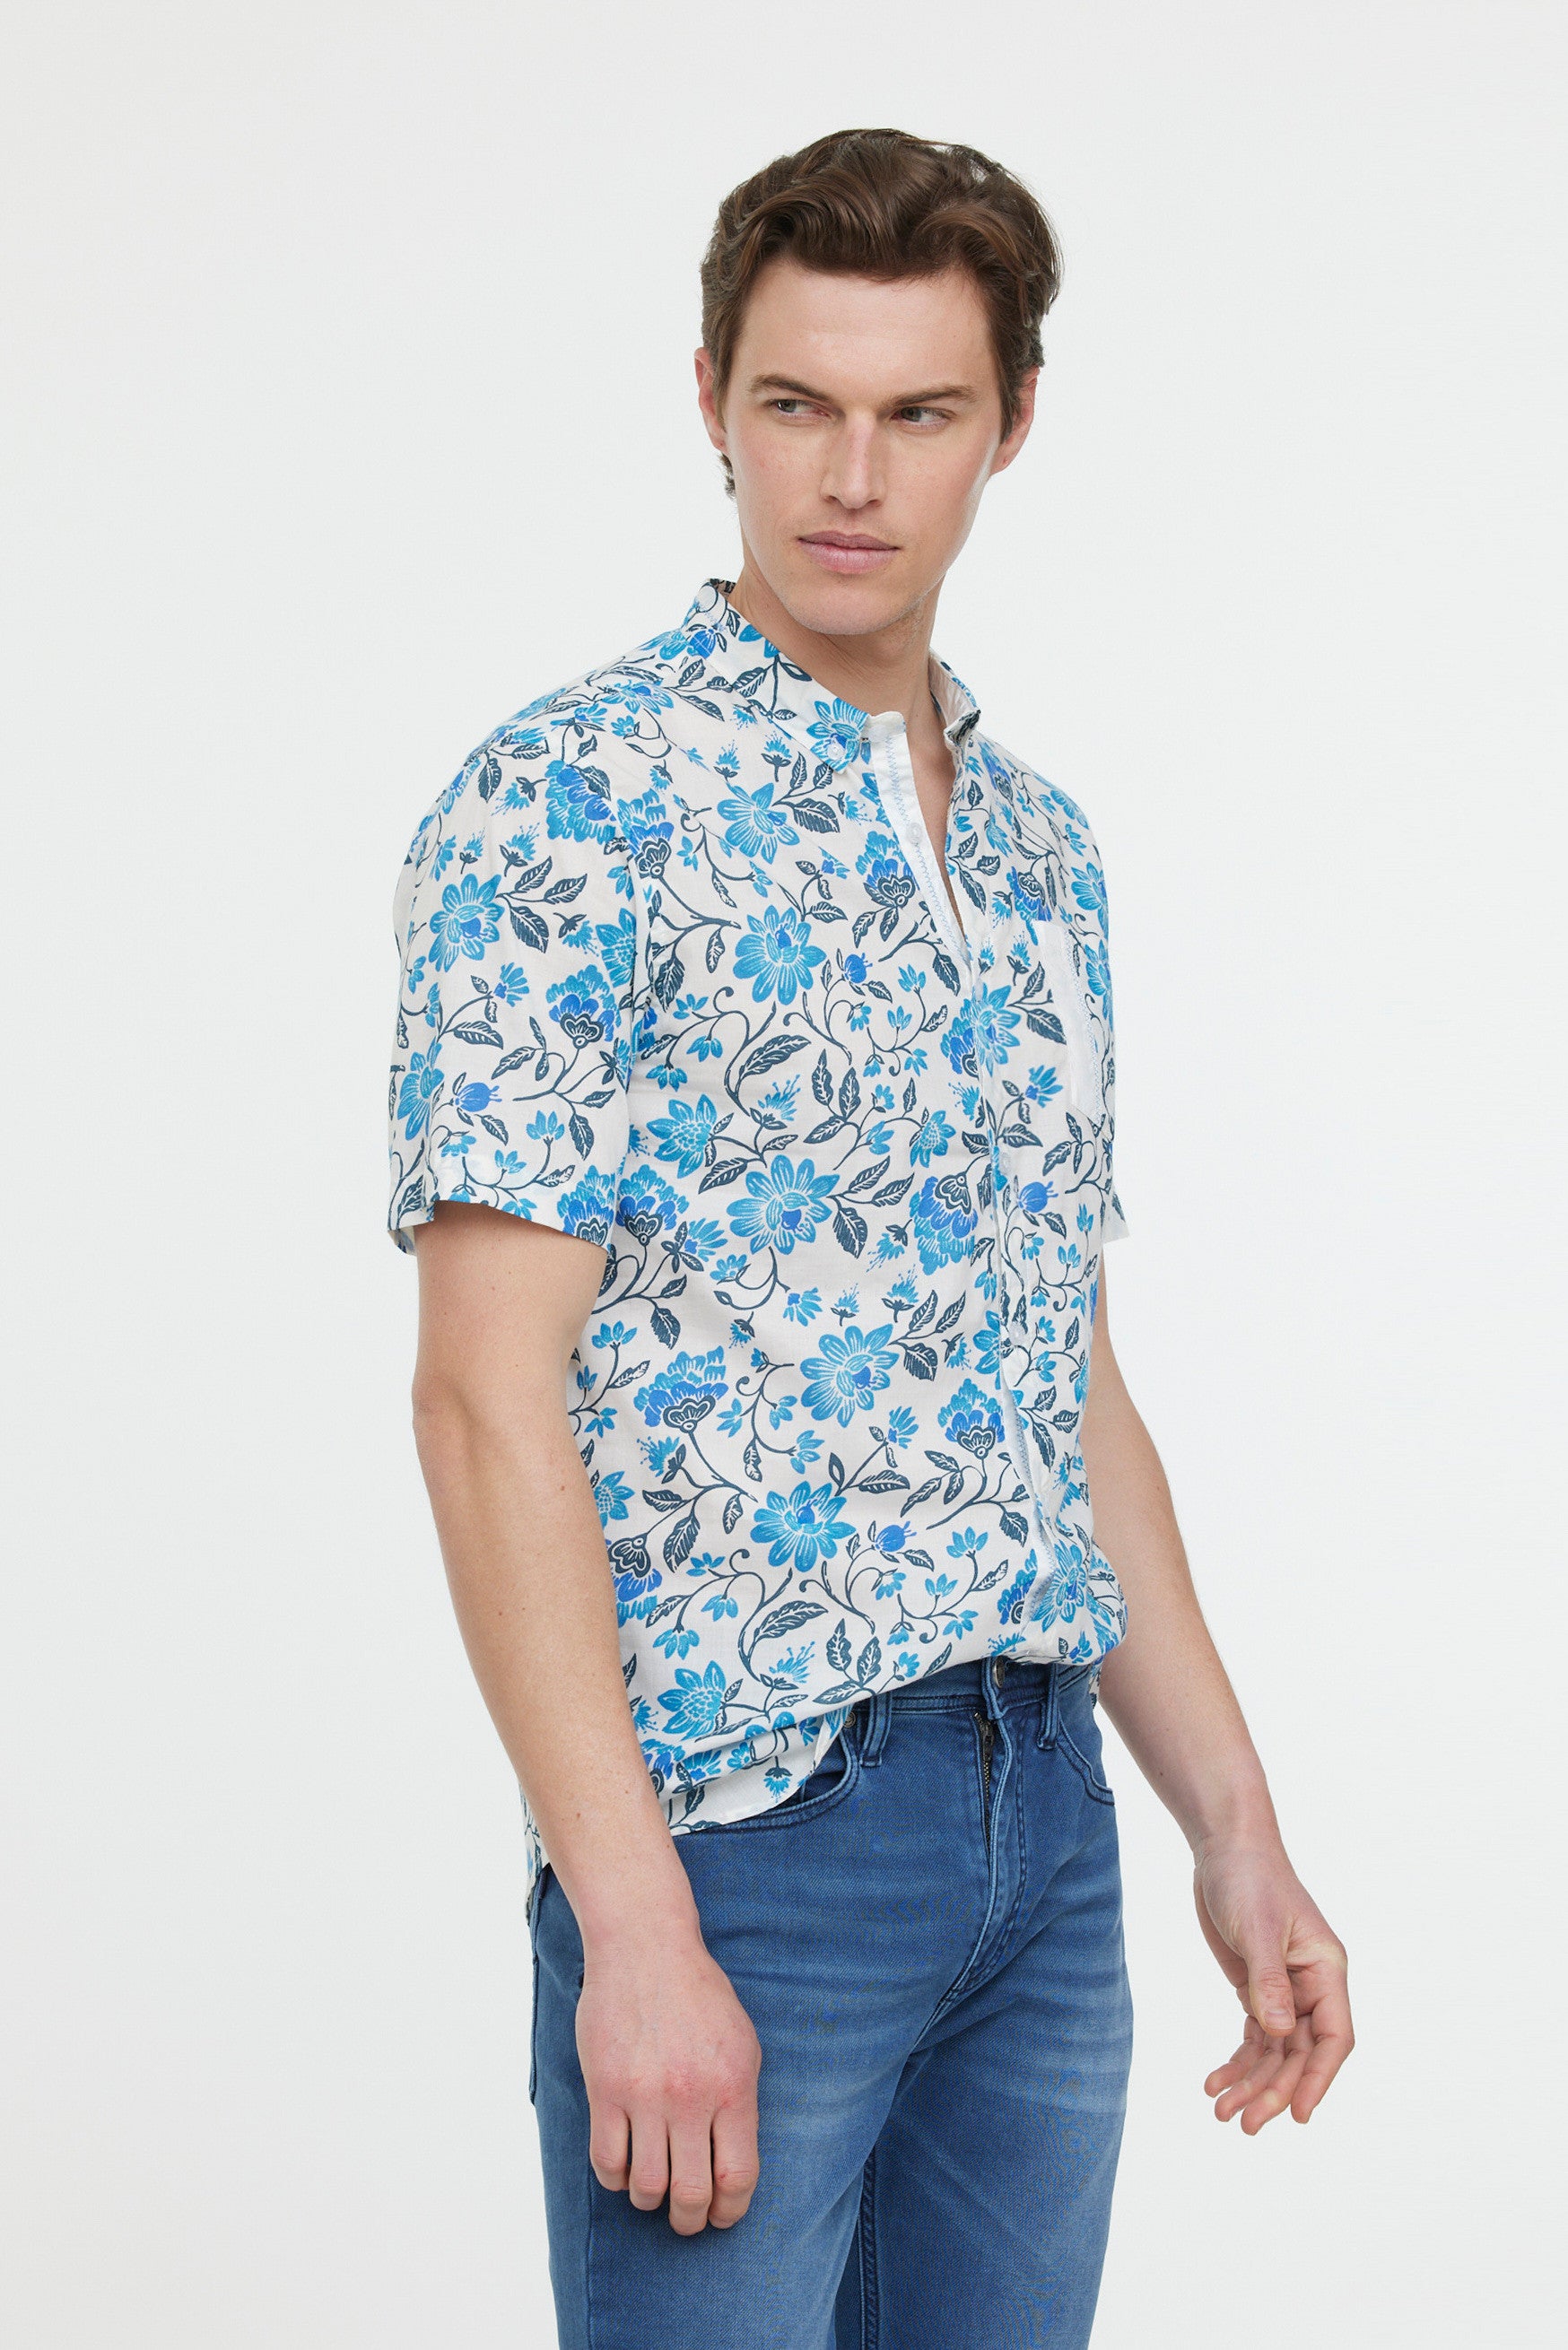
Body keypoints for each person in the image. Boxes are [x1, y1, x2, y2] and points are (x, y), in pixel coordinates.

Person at [386, 126, 1353, 2350]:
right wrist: (633, 1920)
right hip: (747, 1832)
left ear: (1009, 423)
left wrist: (1230, 1818)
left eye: (917, 410)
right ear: (708, 399)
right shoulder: (572, 800)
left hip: (1043, 1830)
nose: (849, 475)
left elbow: (1057, 1372)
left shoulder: (1037, 849)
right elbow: (478, 1397)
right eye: (794, 403)